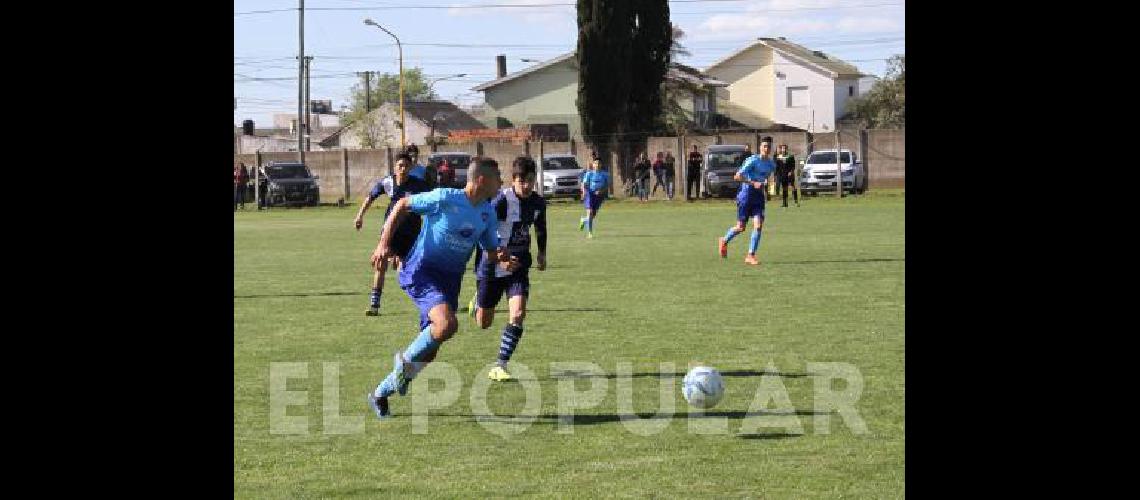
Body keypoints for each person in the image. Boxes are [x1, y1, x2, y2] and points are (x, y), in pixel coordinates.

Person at [367, 158, 519, 418]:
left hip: (450, 281)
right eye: (498, 178)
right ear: (482, 180)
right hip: (422, 271)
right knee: (447, 325)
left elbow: (490, 250)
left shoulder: (487, 212)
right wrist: (383, 244)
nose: (501, 183)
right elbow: (403, 204)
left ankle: (381, 393)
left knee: (431, 350)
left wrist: (502, 257)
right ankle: (402, 363)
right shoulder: (446, 197)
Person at [473, 157, 547, 382]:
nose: (527, 185)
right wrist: (499, 258)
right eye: (522, 181)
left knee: (518, 313)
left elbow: (541, 228)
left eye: (531, 181)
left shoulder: (537, 203)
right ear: (514, 180)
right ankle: (478, 300)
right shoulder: (501, 201)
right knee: (483, 323)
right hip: (492, 266)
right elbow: (483, 230)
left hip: (518, 267)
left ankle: (500, 365)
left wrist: (542, 252)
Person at [354, 153, 432, 316]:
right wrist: (359, 216)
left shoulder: (418, 185)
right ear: (395, 167)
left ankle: (425, 302)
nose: (402, 169)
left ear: (410, 168)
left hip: (411, 231)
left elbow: (432, 202)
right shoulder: (388, 181)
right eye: (400, 165)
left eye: (405, 166)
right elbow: (370, 197)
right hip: (390, 230)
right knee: (381, 262)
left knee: (407, 269)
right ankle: (374, 305)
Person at [718, 136, 776, 266]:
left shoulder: (771, 164)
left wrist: (766, 190)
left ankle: (750, 255)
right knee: (740, 227)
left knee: (758, 226)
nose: (767, 149)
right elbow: (737, 176)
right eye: (764, 146)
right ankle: (724, 240)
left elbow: (767, 178)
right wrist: (753, 182)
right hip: (745, 196)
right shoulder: (752, 161)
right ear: (760, 147)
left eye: (769, 147)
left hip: (758, 198)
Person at [578, 158, 610, 239]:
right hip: (590, 194)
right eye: (596, 163)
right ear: (593, 164)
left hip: (599, 196)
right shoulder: (589, 174)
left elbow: (607, 185)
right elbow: (584, 184)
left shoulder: (605, 174)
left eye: (599, 164)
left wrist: (601, 191)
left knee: (592, 216)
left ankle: (584, 220)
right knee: (590, 212)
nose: (597, 165)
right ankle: (590, 233)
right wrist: (584, 192)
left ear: (601, 165)